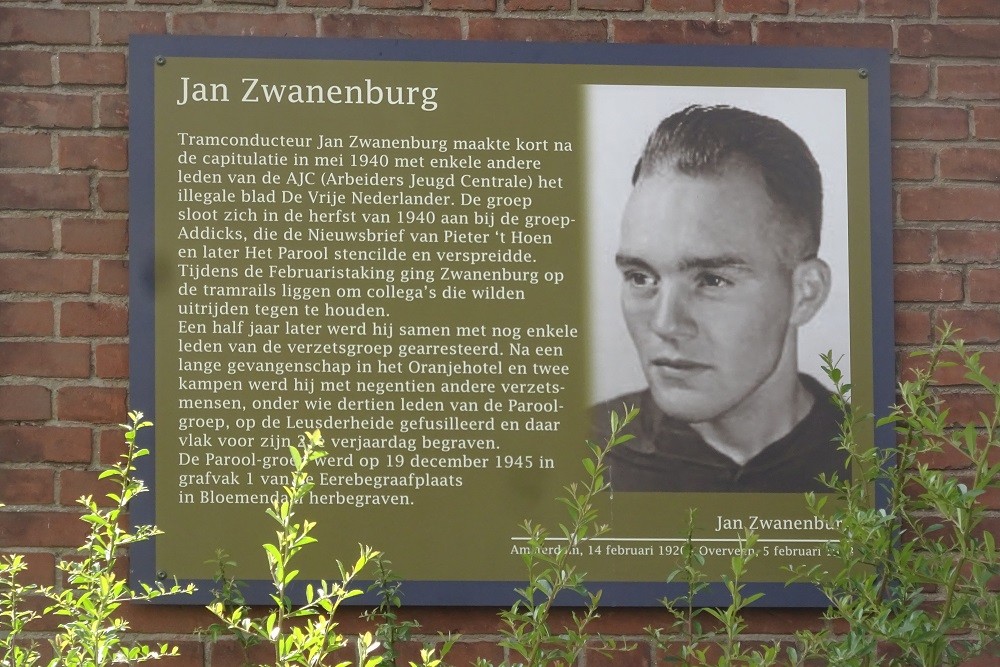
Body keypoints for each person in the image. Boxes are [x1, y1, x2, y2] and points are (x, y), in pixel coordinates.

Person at [593, 104, 845, 493]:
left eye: (711, 280)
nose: (665, 323)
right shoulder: (582, 455)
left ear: (805, 293)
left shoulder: (867, 455)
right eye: (641, 277)